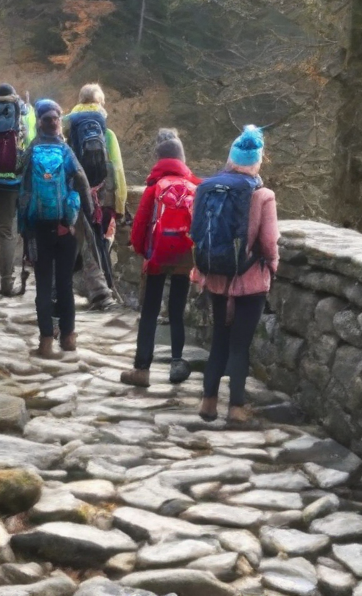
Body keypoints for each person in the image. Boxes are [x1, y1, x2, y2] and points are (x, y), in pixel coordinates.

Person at [191, 125, 279, 426]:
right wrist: (273, 266)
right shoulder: (263, 195)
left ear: (231, 159)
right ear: (257, 160)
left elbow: (200, 232)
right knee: (240, 344)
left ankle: (208, 401)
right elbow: (268, 242)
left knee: (219, 339)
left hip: (217, 277)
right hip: (251, 281)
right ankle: (237, 407)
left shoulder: (208, 187)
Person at [120, 129, 202, 388]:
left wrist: (146, 252)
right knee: (176, 311)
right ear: (182, 158)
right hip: (184, 257)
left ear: (159, 159)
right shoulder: (195, 188)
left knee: (150, 312)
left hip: (156, 258)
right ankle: (177, 362)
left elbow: (138, 229)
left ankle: (142, 369)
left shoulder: (154, 187)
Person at [18, 100, 93, 358]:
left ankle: (46, 341)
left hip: (39, 229)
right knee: (64, 285)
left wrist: (24, 229)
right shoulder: (64, 150)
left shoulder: (32, 150)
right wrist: (89, 214)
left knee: (42, 286)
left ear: (39, 122)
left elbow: (23, 189)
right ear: (57, 122)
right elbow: (82, 180)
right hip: (65, 228)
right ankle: (69, 338)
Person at [63, 83, 126, 300]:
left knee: (78, 240)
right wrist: (120, 203)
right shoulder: (106, 133)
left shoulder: (67, 128)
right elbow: (117, 170)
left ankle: (67, 288)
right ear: (99, 103)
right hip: (101, 195)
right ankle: (104, 289)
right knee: (99, 240)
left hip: (74, 193)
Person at [0, 83, 36, 296]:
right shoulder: (24, 111)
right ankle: (42, 281)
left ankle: (6, 282)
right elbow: (31, 142)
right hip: (22, 177)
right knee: (29, 229)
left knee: (4, 231)